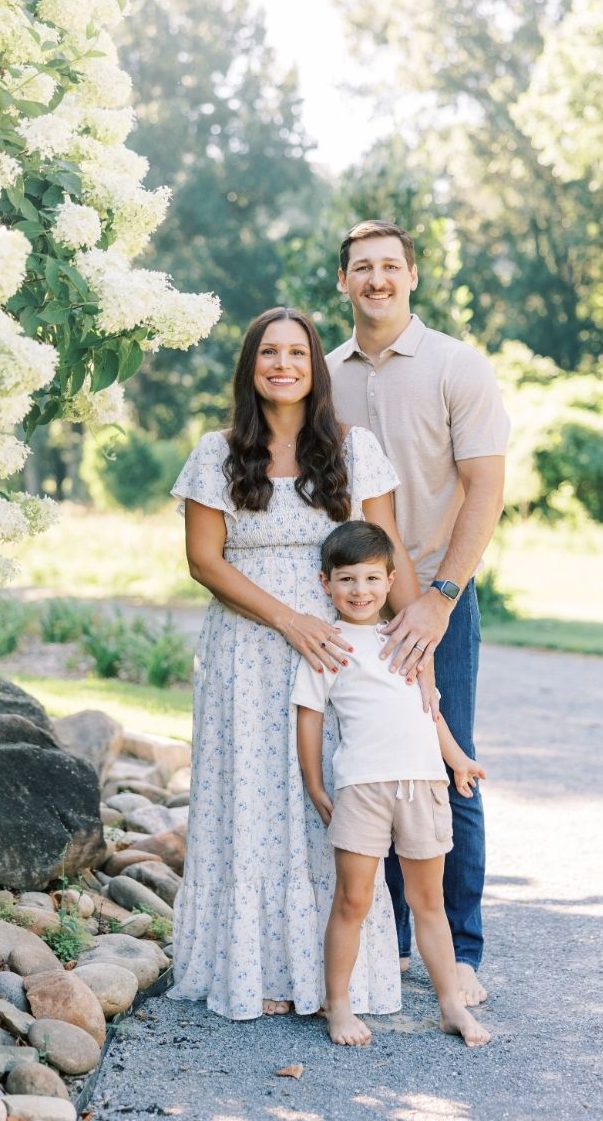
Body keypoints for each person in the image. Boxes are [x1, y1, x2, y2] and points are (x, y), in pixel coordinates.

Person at [168, 306, 430, 1020]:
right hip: (246, 656)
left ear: (316, 367)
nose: (283, 364)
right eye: (268, 354)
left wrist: (415, 643)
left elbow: (390, 552)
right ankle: (254, 971)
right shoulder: (214, 452)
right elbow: (202, 559)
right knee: (250, 799)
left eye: (297, 353)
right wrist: (291, 621)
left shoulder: (355, 450)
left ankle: (333, 979)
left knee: (329, 801)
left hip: (345, 656)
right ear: (250, 368)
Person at [329, 219, 510, 1005]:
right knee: (364, 760)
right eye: (361, 268)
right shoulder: (322, 370)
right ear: (344, 283)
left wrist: (439, 598)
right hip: (349, 603)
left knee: (442, 760)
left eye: (389, 267)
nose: (376, 280)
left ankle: (458, 947)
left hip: (436, 600)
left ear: (412, 278)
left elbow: (487, 487)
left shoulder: (454, 366)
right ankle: (386, 943)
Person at [293, 520, 490, 1048]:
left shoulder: (407, 638)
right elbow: (308, 718)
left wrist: (459, 760)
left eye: (372, 579)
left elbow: (431, 711)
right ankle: (339, 1006)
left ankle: (450, 1004)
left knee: (430, 903)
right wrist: (315, 785)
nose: (360, 591)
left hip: (423, 786)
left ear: (391, 579)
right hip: (362, 789)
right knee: (353, 902)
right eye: (347, 580)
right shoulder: (329, 645)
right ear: (325, 583)